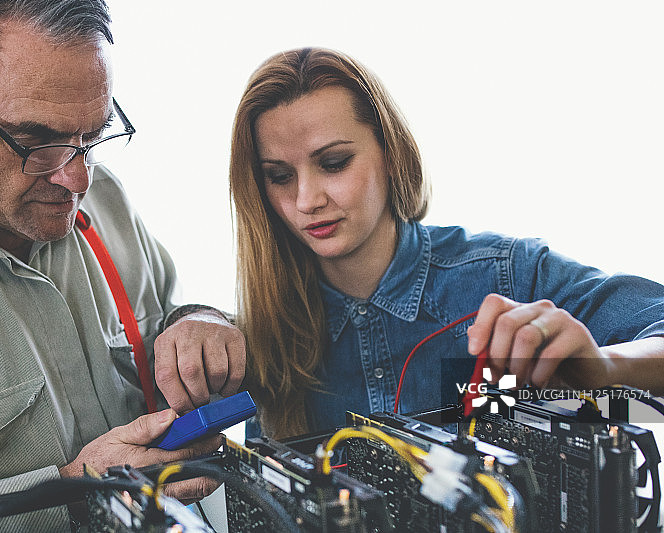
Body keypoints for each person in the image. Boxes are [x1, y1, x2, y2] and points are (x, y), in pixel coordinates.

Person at [0, 0, 245, 530]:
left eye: (93, 136)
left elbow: (167, 314)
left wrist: (200, 321)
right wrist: (69, 490)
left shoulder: (104, 196)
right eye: (35, 143)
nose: (78, 180)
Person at [229, 47, 664, 439]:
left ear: (390, 151)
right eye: (280, 176)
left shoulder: (508, 275)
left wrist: (604, 370)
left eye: (334, 163)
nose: (307, 200)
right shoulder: (263, 338)